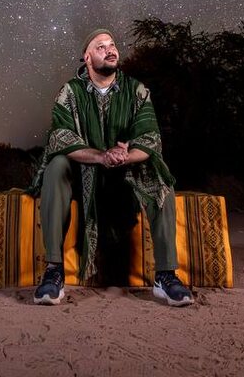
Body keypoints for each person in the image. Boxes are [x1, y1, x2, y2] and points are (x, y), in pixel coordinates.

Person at [30, 28, 193, 306]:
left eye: (112, 45)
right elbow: (60, 136)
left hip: (126, 175)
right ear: (87, 57)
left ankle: (165, 276)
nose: (110, 49)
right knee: (56, 165)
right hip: (84, 174)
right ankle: (54, 271)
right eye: (101, 46)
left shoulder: (137, 90)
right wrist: (101, 157)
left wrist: (122, 156)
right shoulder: (70, 92)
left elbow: (150, 136)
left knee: (158, 170)